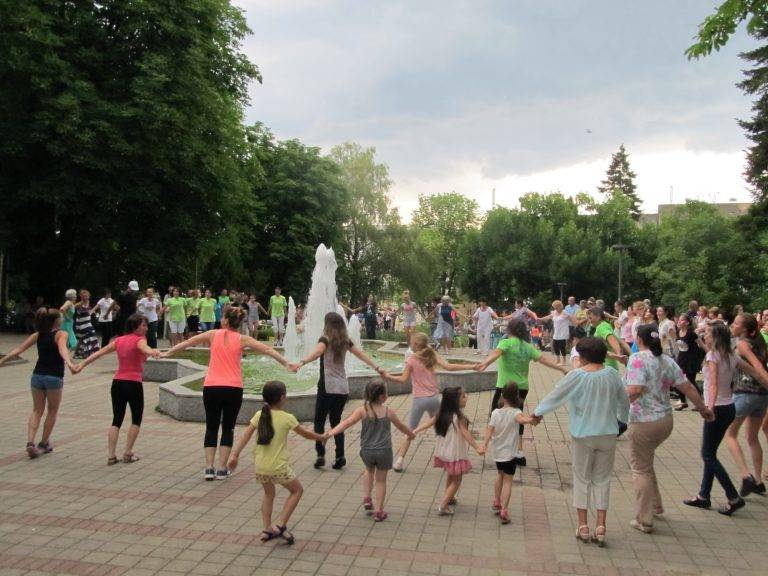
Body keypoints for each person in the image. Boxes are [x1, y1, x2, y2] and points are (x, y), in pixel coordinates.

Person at [164, 307, 293, 480]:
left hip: (211, 387)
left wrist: (167, 353)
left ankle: (209, 468)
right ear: (239, 323)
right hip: (233, 388)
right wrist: (287, 363)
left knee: (211, 426)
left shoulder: (212, 334)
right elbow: (268, 350)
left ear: (225, 320)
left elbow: (187, 343)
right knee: (228, 428)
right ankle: (222, 468)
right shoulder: (242, 339)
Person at [532, 338, 630, 546]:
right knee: (603, 479)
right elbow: (624, 401)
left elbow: (556, 395)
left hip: (583, 435)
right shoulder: (613, 375)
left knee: (582, 479)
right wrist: (622, 421)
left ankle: (583, 525)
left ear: (583, 356)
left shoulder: (577, 376)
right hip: (607, 434)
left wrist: (537, 413)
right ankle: (601, 525)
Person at [623, 325, 712, 533]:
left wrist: (613, 405)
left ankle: (644, 519)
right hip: (665, 421)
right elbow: (687, 386)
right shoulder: (666, 360)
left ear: (638, 338)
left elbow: (635, 389)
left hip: (644, 421)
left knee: (640, 468)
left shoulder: (636, 359)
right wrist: (702, 408)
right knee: (646, 462)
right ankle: (655, 505)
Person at [683, 321, 767, 515]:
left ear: (716, 337)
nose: (705, 335)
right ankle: (704, 496)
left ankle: (733, 497)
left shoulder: (714, 356)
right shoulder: (731, 355)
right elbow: (755, 372)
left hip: (718, 408)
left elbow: (712, 384)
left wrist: (708, 407)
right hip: (728, 407)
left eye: (708, 333)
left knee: (708, 455)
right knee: (710, 451)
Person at [228, 381, 323, 545]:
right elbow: (306, 434)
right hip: (278, 466)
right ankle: (280, 524)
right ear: (283, 397)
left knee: (268, 494)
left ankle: (267, 528)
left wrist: (234, 455)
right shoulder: (287, 418)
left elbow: (245, 436)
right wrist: (321, 437)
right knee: (297, 491)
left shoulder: (259, 415)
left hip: (260, 466)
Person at [292, 312, 383, 470]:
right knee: (337, 422)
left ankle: (320, 455)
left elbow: (318, 352)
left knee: (319, 421)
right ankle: (340, 455)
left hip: (327, 387)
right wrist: (377, 367)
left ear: (327, 324)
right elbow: (361, 355)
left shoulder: (325, 339)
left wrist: (302, 361)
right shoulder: (345, 341)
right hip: (342, 388)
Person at [380, 332, 477, 472]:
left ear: (417, 345)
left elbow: (403, 380)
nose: (410, 345)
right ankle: (447, 456)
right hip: (433, 399)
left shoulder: (411, 359)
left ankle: (399, 461)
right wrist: (472, 366)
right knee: (440, 427)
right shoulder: (432, 355)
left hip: (419, 400)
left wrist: (387, 376)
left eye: (412, 343)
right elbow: (449, 367)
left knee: (410, 430)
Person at [476, 319, 567, 466]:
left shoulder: (505, 343)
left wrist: (485, 363)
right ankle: (519, 452)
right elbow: (543, 359)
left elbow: (497, 353)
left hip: (505, 387)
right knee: (517, 415)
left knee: (496, 416)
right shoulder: (528, 347)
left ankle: (493, 446)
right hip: (522, 388)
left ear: (510, 330)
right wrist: (561, 368)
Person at [73, 313, 161, 464]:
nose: (146, 328)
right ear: (135, 327)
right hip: (133, 384)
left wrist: (81, 365)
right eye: (144, 325)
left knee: (116, 420)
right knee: (136, 419)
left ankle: (111, 456)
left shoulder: (119, 340)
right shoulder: (140, 339)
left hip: (117, 383)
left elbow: (99, 352)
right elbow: (144, 348)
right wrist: (153, 352)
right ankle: (128, 453)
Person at [325, 381, 415, 521]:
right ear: (381, 397)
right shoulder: (388, 412)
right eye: (385, 392)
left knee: (368, 469)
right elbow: (401, 426)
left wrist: (330, 433)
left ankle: (367, 498)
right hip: (384, 452)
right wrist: (411, 434)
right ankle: (378, 511)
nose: (387, 394)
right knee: (381, 481)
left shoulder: (362, 410)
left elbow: (347, 423)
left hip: (367, 451)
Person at [0, 308, 78, 458]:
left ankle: (30, 442)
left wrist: (2, 360)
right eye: (60, 318)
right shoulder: (62, 334)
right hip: (54, 378)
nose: (62, 319)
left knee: (37, 410)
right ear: (56, 321)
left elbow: (19, 349)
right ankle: (43, 443)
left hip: (37, 376)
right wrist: (69, 363)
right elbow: (63, 349)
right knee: (52, 411)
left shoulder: (38, 335)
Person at [413, 387, 484, 515]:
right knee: (457, 480)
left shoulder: (442, 413)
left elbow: (429, 423)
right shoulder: (459, 416)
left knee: (451, 474)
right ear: (455, 401)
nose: (466, 397)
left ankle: (449, 497)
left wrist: (415, 431)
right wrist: (477, 447)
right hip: (455, 453)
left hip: (445, 452)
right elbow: (465, 433)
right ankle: (443, 505)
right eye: (463, 396)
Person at [480, 382, 537, 525]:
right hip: (510, 454)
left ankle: (496, 500)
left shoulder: (495, 413)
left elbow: (489, 429)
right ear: (516, 396)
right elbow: (523, 420)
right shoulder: (516, 412)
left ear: (503, 396)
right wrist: (533, 419)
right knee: (508, 480)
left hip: (498, 452)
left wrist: (484, 444)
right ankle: (504, 509)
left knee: (500, 474)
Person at [725, 313, 768, 496]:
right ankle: (758, 480)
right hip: (761, 397)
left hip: (745, 393)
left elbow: (758, 366)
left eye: (735, 323)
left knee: (730, 434)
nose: (732, 326)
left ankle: (746, 476)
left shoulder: (743, 344)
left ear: (744, 329)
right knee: (752, 437)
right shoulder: (759, 343)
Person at [674, 313, 705, 410]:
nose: (679, 321)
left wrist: (709, 355)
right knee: (678, 380)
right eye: (679, 320)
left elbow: (702, 345)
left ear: (687, 323)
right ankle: (683, 402)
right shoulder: (678, 331)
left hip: (692, 360)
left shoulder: (691, 333)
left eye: (682, 320)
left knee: (691, 381)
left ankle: (699, 402)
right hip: (682, 359)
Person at [538, 300, 571, 366]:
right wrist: (540, 319)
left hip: (563, 333)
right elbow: (548, 317)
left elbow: (572, 319)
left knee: (562, 347)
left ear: (560, 306)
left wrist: (576, 324)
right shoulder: (554, 312)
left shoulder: (565, 313)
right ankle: (558, 360)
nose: (555, 309)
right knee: (555, 346)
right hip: (556, 332)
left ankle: (564, 361)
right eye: (554, 307)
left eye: (556, 307)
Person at [73, 289, 100, 359]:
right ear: (81, 297)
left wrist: (91, 312)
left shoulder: (88, 302)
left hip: (88, 322)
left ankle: (86, 353)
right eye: (84, 296)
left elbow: (88, 311)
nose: (85, 297)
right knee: (87, 336)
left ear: (89, 296)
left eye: (86, 296)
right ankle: (84, 353)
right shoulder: (79, 304)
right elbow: (72, 309)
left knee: (86, 338)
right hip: (81, 324)